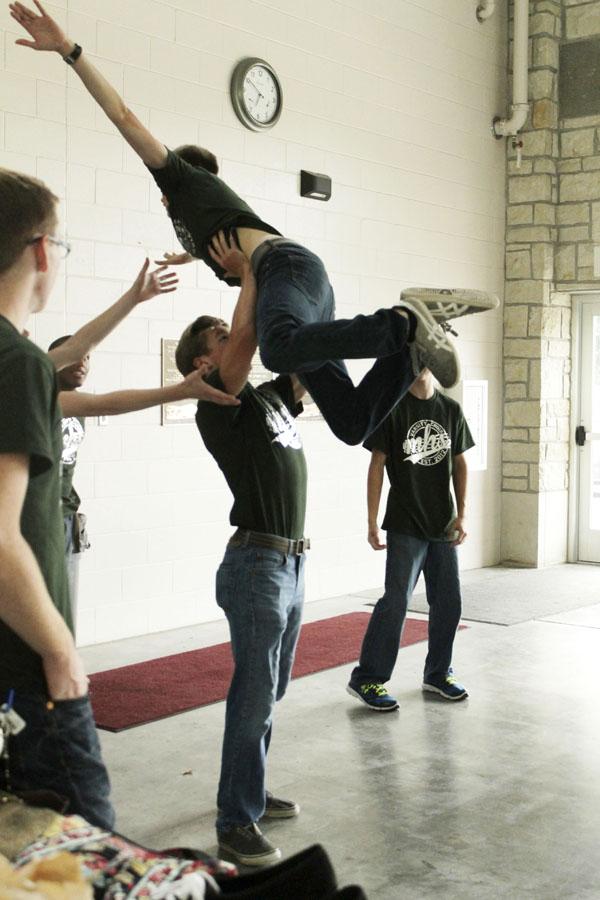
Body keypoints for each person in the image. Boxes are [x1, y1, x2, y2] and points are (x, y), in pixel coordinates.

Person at [9, 0, 504, 447]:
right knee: (352, 424)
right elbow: (219, 247)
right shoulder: (202, 227)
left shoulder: (182, 183)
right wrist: (188, 256)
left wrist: (70, 51)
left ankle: (404, 322)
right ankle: (413, 351)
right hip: (301, 284)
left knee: (279, 347)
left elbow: (122, 115)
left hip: (284, 268)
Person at [0, 168, 238, 830]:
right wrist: (61, 652)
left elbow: (80, 380)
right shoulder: (15, 362)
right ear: (42, 250)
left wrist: (171, 379)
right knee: (84, 845)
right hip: (25, 662)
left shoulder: (17, 362)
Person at [174, 232, 308, 867]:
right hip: (257, 564)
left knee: (270, 690)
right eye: (219, 343)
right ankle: (235, 820)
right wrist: (250, 272)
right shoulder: (218, 403)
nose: (233, 345)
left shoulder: (262, 401)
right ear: (203, 365)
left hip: (291, 562)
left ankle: (247, 788)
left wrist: (298, 301)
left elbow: (300, 369)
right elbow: (249, 337)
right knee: (254, 694)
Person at [47, 331, 240, 628]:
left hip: (66, 518)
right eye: (75, 356)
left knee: (63, 616)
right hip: (38, 523)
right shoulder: (42, 400)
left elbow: (100, 406)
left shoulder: (77, 406)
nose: (82, 363)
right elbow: (107, 404)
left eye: (87, 357)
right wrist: (180, 391)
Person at [347, 368, 474, 711]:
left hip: (442, 525)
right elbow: (376, 465)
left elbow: (460, 464)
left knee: (449, 602)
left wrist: (461, 514)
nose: (419, 366)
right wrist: (372, 521)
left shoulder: (451, 410)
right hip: (404, 524)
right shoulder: (393, 408)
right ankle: (368, 678)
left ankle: (437, 674)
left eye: (425, 359)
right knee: (396, 601)